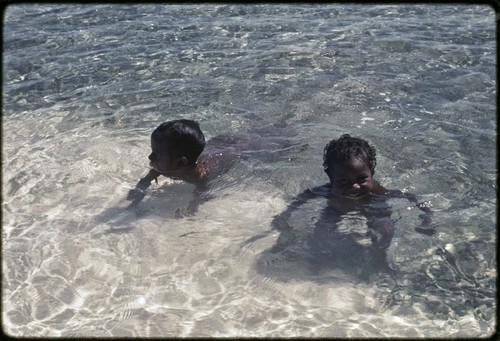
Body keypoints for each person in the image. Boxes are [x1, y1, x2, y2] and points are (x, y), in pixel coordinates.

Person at [269, 134, 435, 272]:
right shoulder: (329, 191)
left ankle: (380, 258)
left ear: (372, 172)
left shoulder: (377, 192)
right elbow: (303, 197)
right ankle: (317, 258)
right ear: (331, 178)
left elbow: (411, 197)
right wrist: (285, 214)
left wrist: (427, 219)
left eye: (362, 178)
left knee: (384, 228)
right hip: (338, 206)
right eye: (343, 181)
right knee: (321, 231)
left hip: (371, 205)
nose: (355, 186)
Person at [127, 119, 305, 216]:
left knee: (265, 144)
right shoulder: (164, 166)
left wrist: (191, 209)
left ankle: (291, 135)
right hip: (219, 143)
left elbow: (201, 195)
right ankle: (279, 125)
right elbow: (148, 177)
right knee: (252, 134)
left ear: (180, 163)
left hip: (234, 152)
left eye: (155, 154)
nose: (150, 157)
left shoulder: (200, 176)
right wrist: (139, 190)